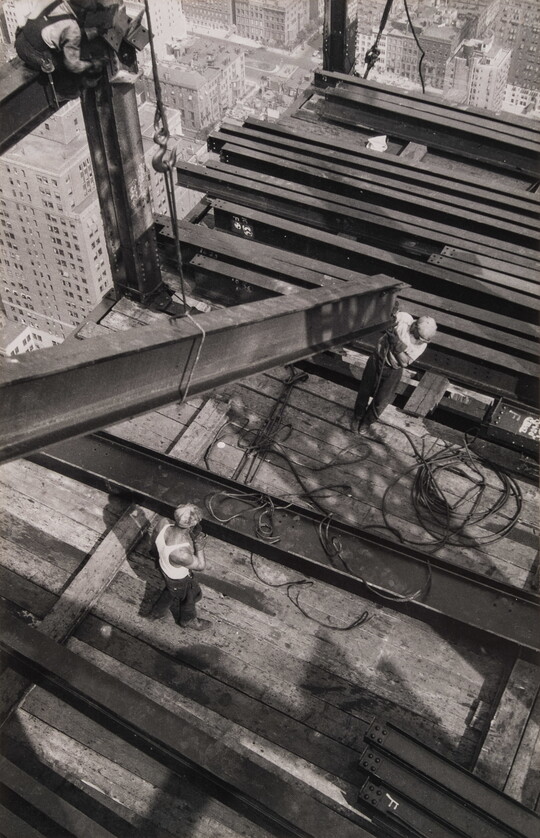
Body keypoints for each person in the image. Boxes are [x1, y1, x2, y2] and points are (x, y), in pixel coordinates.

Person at [351, 311, 437, 432]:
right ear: (415, 326)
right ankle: (357, 417)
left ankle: (367, 422)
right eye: (419, 337)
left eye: (423, 340)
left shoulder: (421, 345)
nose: (420, 341)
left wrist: (396, 344)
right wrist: (389, 318)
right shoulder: (404, 319)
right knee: (364, 390)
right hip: (377, 360)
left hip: (393, 370)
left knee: (381, 400)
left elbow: (404, 362)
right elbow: (386, 318)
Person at [15, 0, 104, 99]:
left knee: (66, 40)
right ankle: (64, 93)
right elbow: (72, 65)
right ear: (82, 11)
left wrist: (91, 32)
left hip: (20, 40)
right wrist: (91, 64)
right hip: (35, 56)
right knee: (69, 66)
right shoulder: (73, 29)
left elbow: (60, 29)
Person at [150, 504, 212, 632]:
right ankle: (187, 620)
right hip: (179, 579)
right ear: (192, 523)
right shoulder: (181, 553)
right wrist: (199, 546)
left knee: (170, 591)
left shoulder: (163, 523)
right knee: (190, 596)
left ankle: (157, 611)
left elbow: (154, 542)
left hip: (164, 567)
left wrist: (158, 556)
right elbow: (200, 566)